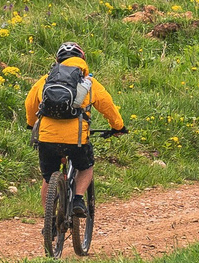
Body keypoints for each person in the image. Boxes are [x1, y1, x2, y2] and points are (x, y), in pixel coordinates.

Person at [24, 41, 125, 230]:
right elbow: (107, 106)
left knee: (48, 179)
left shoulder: (45, 80)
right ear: (82, 59)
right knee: (86, 167)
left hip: (47, 138)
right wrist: (118, 126)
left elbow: (30, 103)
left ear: (58, 60)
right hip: (76, 139)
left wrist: (31, 124)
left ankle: (50, 221)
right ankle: (78, 200)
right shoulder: (88, 82)